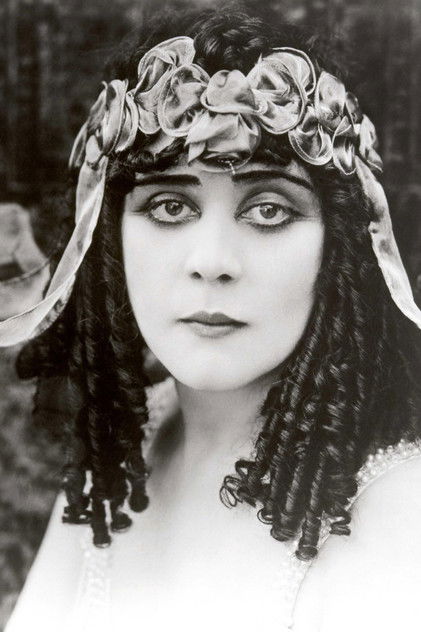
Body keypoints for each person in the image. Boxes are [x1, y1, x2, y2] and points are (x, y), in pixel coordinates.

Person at [1, 5, 421, 632]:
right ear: (108, 240)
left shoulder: (397, 521)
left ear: (342, 247)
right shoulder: (125, 451)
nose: (213, 262)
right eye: (170, 206)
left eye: (269, 210)